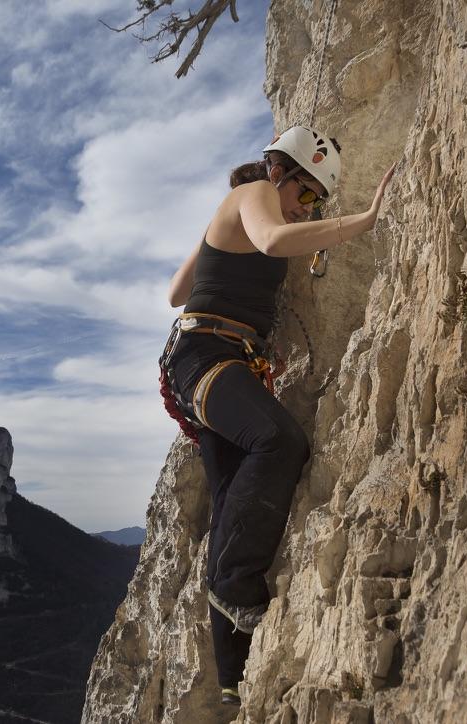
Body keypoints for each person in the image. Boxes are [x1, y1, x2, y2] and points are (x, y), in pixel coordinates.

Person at [162, 126, 395, 705]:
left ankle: (234, 680)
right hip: (210, 357)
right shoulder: (256, 195)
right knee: (280, 441)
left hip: (209, 355)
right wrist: (360, 222)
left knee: (229, 503)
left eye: (315, 202)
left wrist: (216, 252)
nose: (306, 208)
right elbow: (268, 241)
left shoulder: (236, 206)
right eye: (308, 194)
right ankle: (239, 591)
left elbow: (175, 292)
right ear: (282, 172)